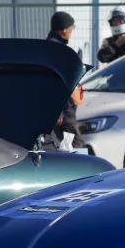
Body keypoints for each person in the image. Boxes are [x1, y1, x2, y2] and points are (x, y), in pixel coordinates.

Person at [47, 11, 85, 147]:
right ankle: (81, 168)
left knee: (64, 145)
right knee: (77, 145)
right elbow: (55, 82)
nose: (71, 32)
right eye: (70, 28)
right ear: (63, 30)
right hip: (64, 110)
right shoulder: (57, 50)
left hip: (63, 109)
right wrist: (59, 111)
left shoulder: (54, 47)